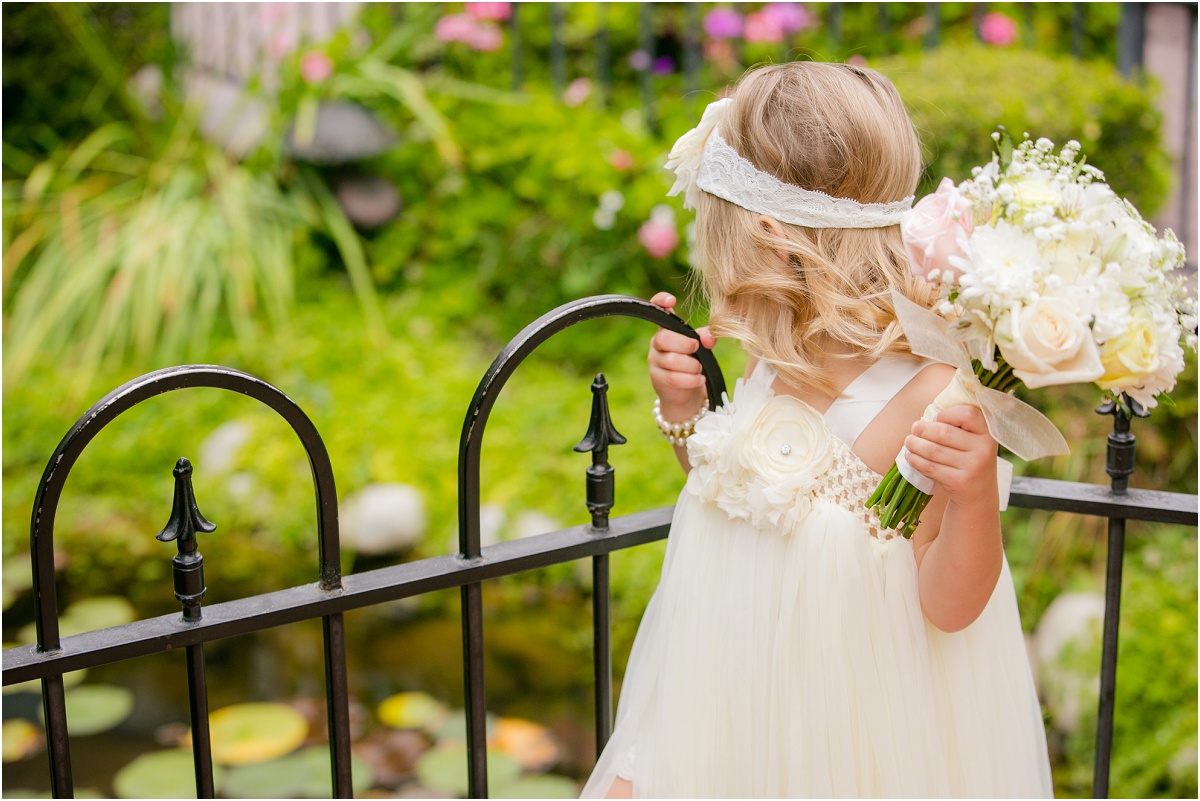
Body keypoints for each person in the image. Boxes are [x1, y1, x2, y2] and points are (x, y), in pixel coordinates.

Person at [580, 62, 1052, 798]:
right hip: (724, 701)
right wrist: (686, 416)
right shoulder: (770, 351)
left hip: (853, 733)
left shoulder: (932, 390)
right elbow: (739, 499)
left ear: (766, 234)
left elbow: (950, 606)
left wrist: (973, 493)